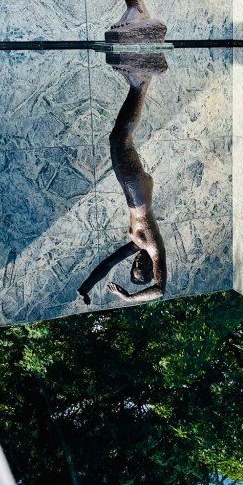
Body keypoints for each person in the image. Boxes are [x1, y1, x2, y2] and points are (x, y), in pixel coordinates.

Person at [78, 59, 167, 305]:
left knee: (118, 139)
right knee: (120, 140)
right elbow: (159, 290)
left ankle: (140, 83)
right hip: (139, 195)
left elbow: (108, 264)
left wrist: (85, 288)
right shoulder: (155, 248)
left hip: (134, 194)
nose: (137, 262)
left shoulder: (136, 245)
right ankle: (140, 84)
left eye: (133, 266)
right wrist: (127, 298)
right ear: (150, 269)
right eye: (141, 268)